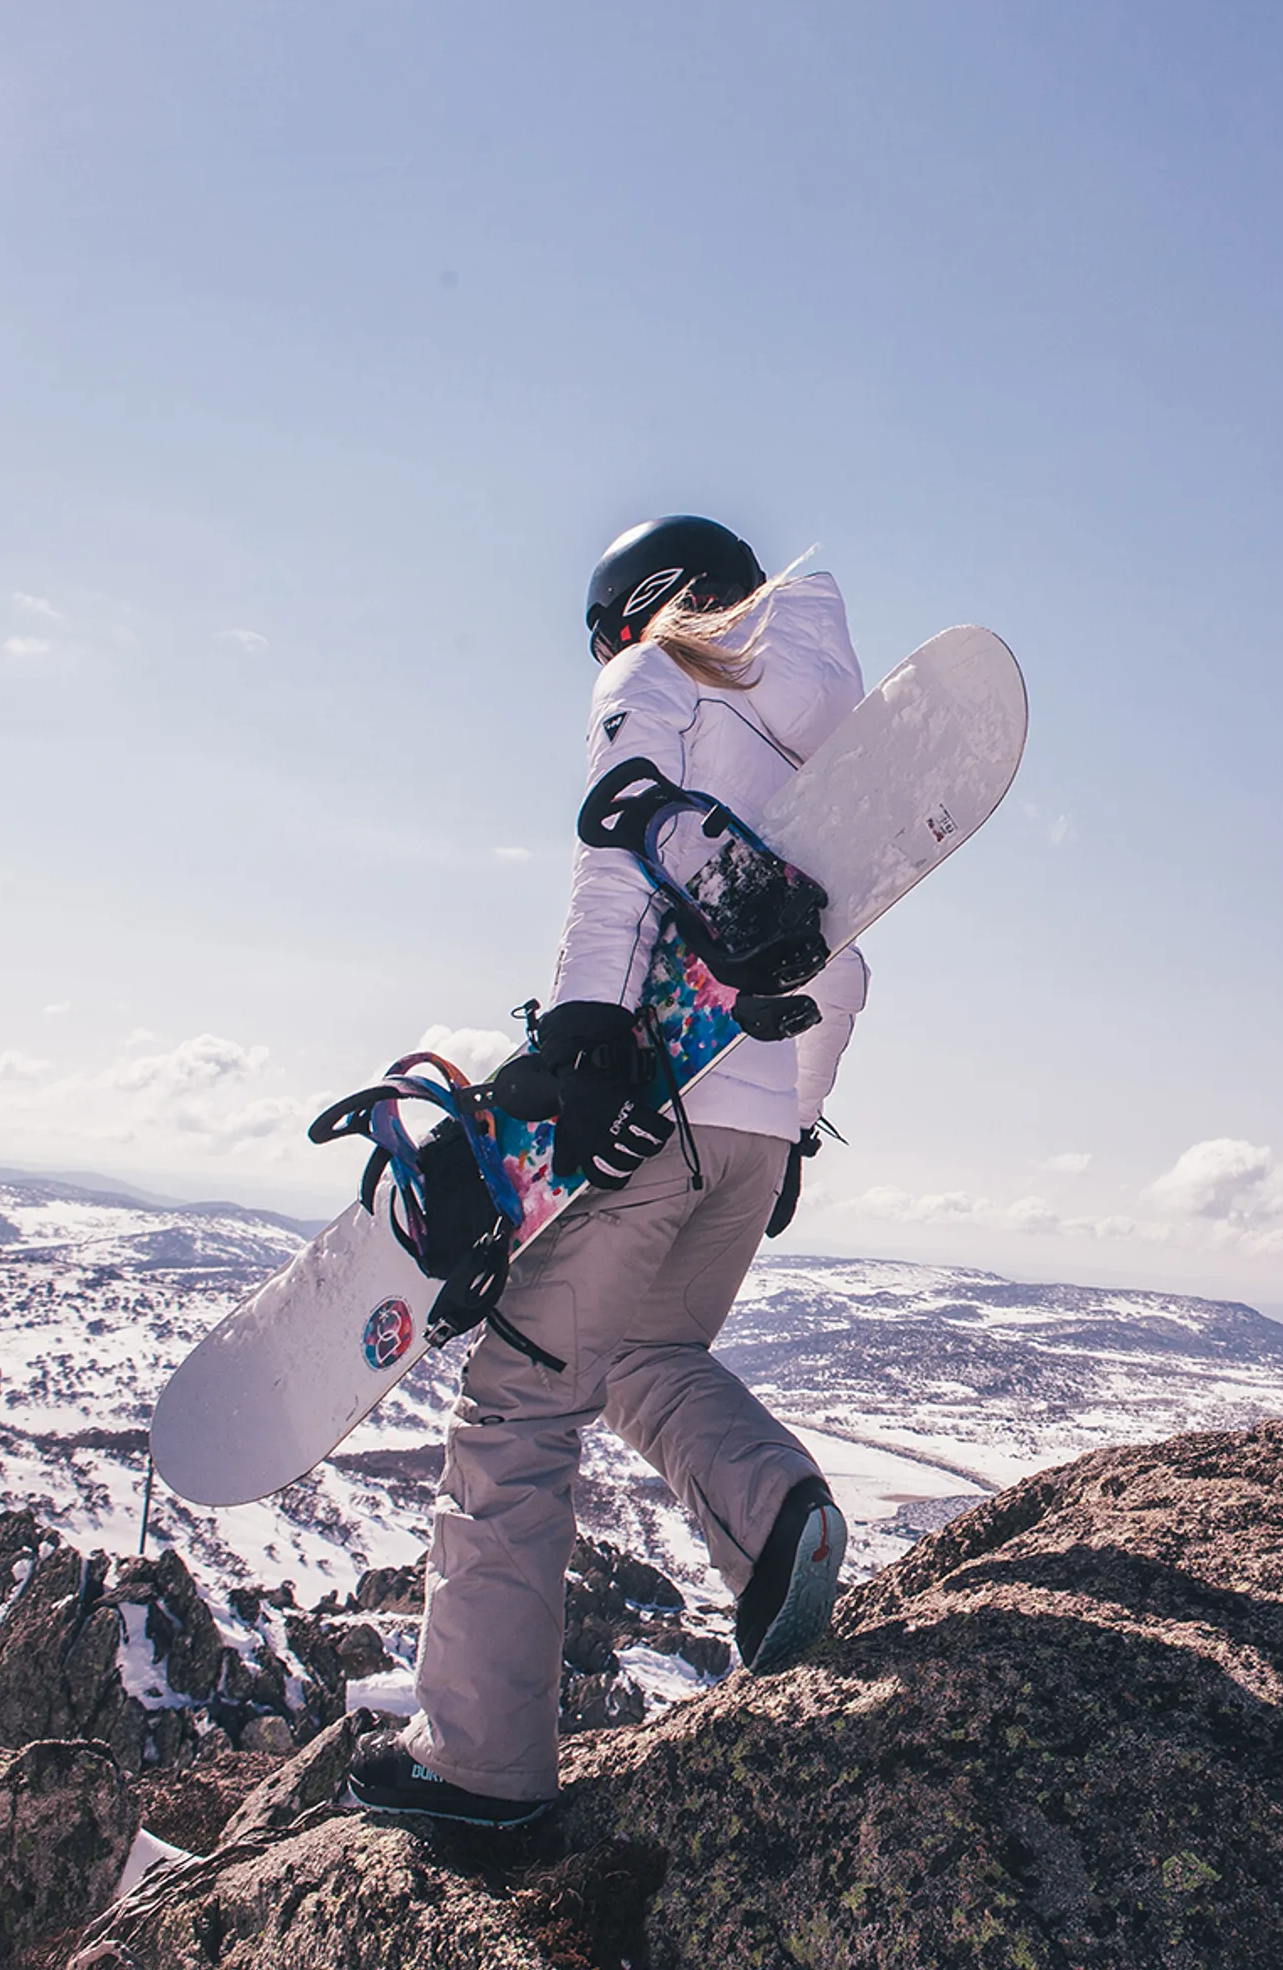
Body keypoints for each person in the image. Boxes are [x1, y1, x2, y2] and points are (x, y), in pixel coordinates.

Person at [349, 515, 870, 1826]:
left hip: (651, 1105)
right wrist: (793, 1125)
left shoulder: (655, 674)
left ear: (636, 606)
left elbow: (621, 839)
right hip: (753, 1123)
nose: (605, 653)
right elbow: (840, 954)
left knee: (517, 1408)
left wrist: (585, 1034)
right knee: (645, 1357)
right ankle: (773, 1523)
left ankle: (477, 1769)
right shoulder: (832, 730)